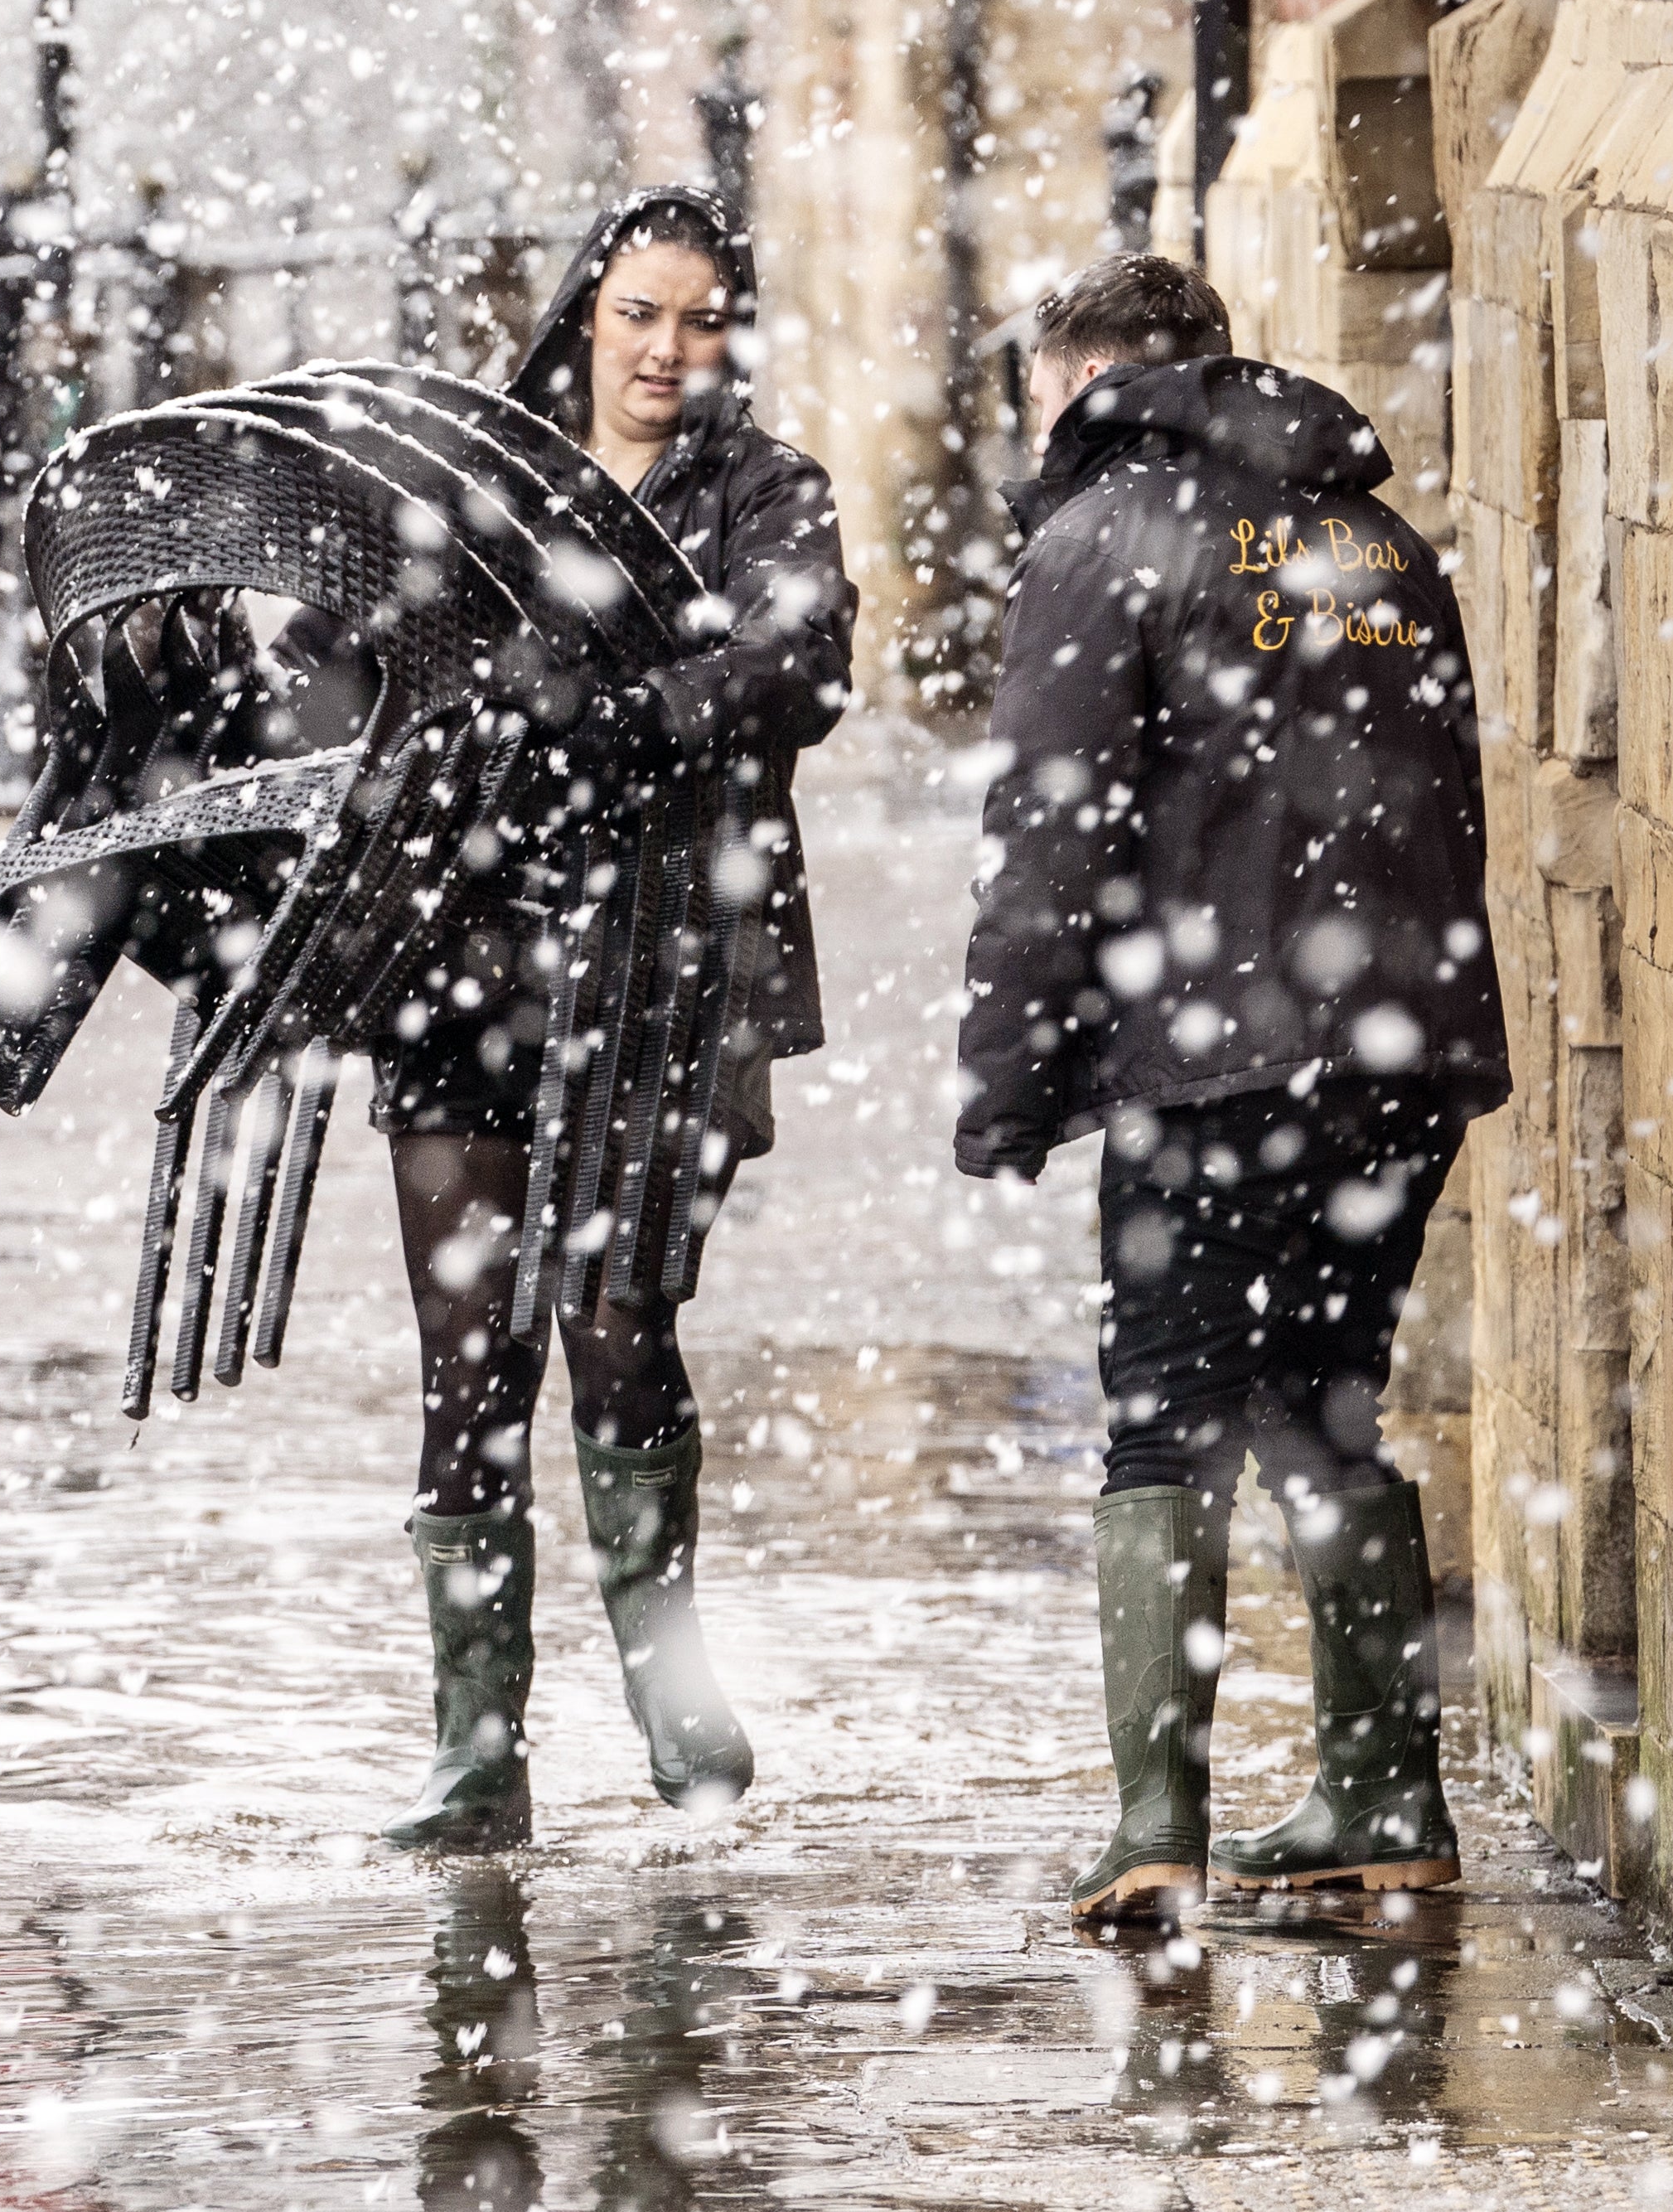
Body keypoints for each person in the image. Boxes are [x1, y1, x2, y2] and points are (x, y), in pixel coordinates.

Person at [953, 253, 1506, 1930]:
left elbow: (1051, 843)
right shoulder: (1371, 542)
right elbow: (1440, 794)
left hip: (1213, 1065)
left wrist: (1010, 1084)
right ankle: (1384, 1793)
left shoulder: (1094, 542)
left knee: (1166, 1422)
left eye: (1048, 398)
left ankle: (1154, 1826)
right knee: (1328, 1397)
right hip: (1395, 1050)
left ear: (1093, 379)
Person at [370, 186, 857, 1852]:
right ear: (590, 312)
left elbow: (806, 663)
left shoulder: (766, 492)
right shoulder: (487, 483)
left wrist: (638, 712)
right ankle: (477, 1750)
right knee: (466, 1358)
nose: (668, 348)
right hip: (462, 962)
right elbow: (375, 664)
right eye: (641, 312)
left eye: (702, 317)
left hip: (666, 974)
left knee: (620, 1331)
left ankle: (667, 1680)